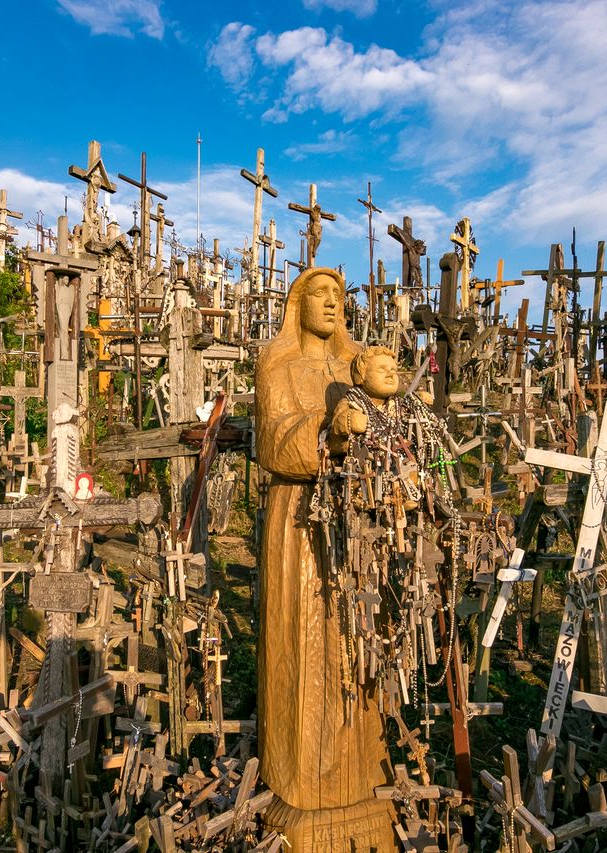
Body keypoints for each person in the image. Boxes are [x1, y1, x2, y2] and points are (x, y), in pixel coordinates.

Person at [254, 267, 395, 851]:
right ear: (297, 304)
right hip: (302, 523)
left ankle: (360, 775)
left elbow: (390, 431)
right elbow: (273, 444)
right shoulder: (277, 366)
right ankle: (302, 785)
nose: (334, 304)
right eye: (321, 295)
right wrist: (329, 432)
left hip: (359, 522)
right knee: (306, 645)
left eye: (341, 296)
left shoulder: (359, 364)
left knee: (357, 642)